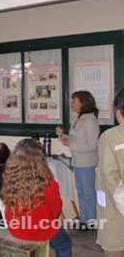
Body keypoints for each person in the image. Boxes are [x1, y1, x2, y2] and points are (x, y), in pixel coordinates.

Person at [2, 138, 72, 257]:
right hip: (41, 230)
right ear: (41, 160)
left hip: (16, 229)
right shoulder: (48, 183)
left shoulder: (10, 179)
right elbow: (56, 211)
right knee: (65, 243)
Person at [56, 90, 100, 228]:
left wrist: (72, 143)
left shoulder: (90, 120)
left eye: (74, 101)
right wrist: (62, 135)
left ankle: (90, 222)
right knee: (81, 191)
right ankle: (84, 219)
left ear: (83, 102)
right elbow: (73, 140)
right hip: (78, 161)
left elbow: (92, 145)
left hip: (86, 162)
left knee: (88, 192)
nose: (72, 104)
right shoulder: (77, 119)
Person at [96, 88, 124, 257]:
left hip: (115, 209)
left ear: (118, 111)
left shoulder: (111, 136)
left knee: (114, 248)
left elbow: (109, 176)